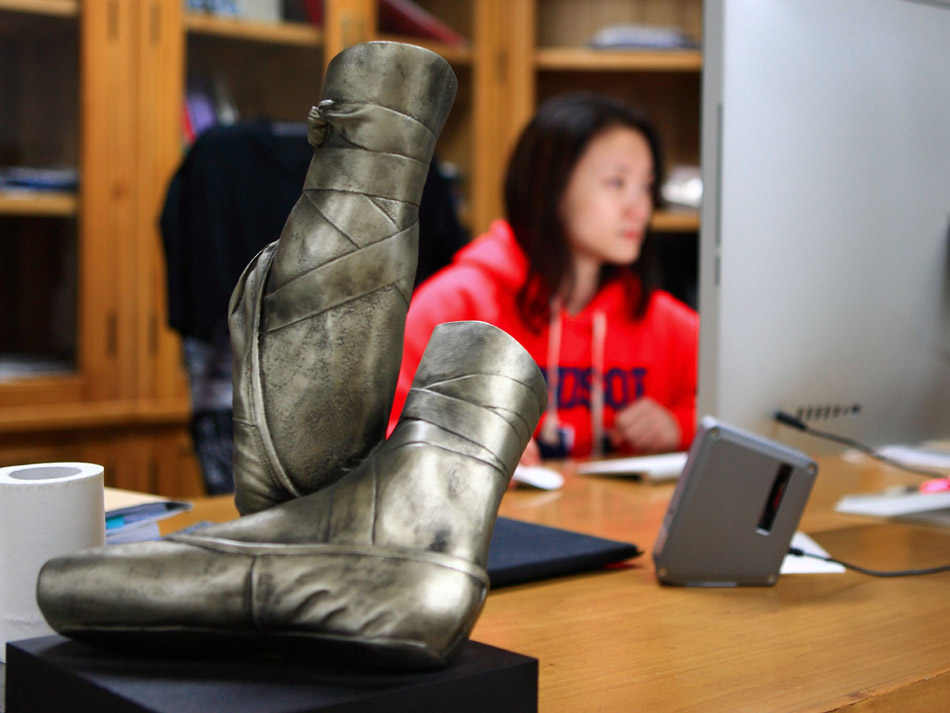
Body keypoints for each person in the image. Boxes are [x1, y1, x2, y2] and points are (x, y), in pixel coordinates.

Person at [389, 93, 698, 462]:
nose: (639, 208)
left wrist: (680, 424)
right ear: (549, 186)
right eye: (616, 183)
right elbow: (380, 435)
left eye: (646, 187)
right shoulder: (455, 307)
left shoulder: (666, 322)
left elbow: (740, 418)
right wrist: (461, 445)